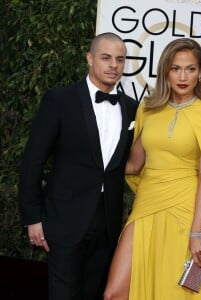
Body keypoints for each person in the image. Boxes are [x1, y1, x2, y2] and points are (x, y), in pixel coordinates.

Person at [104, 38, 201, 299]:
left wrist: (197, 232)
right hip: (147, 206)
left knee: (186, 292)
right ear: (165, 71)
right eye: (175, 68)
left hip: (189, 213)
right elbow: (134, 164)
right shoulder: (148, 111)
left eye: (190, 69)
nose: (183, 76)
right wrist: (93, 165)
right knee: (114, 293)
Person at [18, 32, 138, 300]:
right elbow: (32, 161)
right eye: (106, 58)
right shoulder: (60, 100)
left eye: (120, 59)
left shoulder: (131, 108)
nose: (113, 65)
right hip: (64, 218)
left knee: (94, 294)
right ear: (89, 58)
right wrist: (32, 217)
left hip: (107, 222)